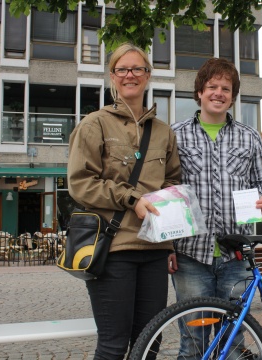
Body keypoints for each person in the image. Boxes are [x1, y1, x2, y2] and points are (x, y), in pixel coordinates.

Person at [67, 42, 181, 360]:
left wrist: (170, 243)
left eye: (137, 69)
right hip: (113, 249)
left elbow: (171, 184)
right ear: (112, 76)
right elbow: (80, 184)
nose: (130, 75)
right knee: (114, 346)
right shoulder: (94, 124)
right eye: (122, 69)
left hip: (155, 252)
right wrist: (131, 198)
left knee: (150, 343)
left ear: (147, 75)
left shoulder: (163, 132)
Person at [170, 58, 262, 358]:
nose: (219, 93)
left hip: (237, 255)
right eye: (212, 87)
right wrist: (167, 247)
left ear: (233, 95)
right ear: (200, 92)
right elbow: (166, 192)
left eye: (226, 88)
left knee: (235, 339)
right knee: (194, 341)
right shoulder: (175, 135)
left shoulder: (250, 136)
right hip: (190, 255)